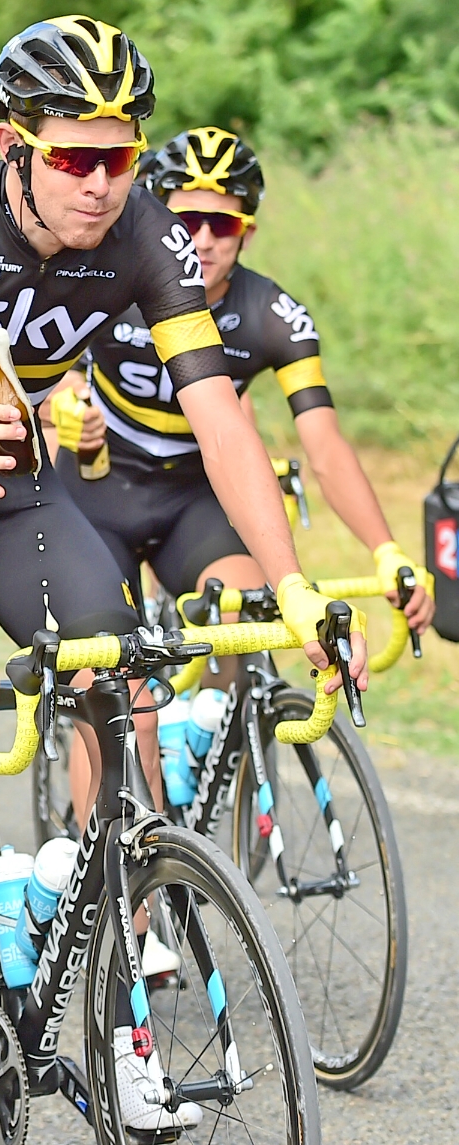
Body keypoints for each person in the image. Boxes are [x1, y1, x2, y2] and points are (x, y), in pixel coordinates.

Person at [0, 18, 365, 1130]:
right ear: (16, 145)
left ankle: (109, 998)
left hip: (15, 481)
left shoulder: (148, 235)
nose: (103, 184)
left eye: (120, 155)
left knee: (124, 678)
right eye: (75, 157)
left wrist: (294, 583)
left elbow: (224, 426)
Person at [46, 126, 432, 821]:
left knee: (258, 611)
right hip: (96, 493)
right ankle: (109, 881)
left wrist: (387, 549)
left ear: (246, 230)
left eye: (220, 221)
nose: (202, 237)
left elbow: (326, 444)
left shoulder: (272, 313)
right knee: (110, 693)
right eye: (184, 218)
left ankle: (210, 742)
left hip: (193, 499)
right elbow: (38, 380)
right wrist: (61, 411)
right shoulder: (104, 274)